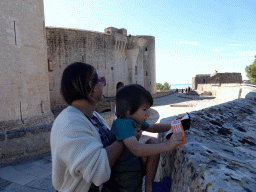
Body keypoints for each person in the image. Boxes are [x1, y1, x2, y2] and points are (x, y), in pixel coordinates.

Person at [50, 62, 125, 192]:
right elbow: (98, 171)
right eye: (101, 80)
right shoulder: (70, 124)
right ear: (91, 84)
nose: (103, 84)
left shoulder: (92, 115)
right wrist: (126, 138)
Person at [110, 84, 183, 192]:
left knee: (153, 141)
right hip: (124, 177)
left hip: (133, 166)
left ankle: (149, 187)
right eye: (144, 109)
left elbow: (153, 127)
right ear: (129, 110)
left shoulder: (133, 120)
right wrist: (168, 145)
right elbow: (136, 149)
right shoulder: (122, 124)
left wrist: (172, 125)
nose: (148, 114)